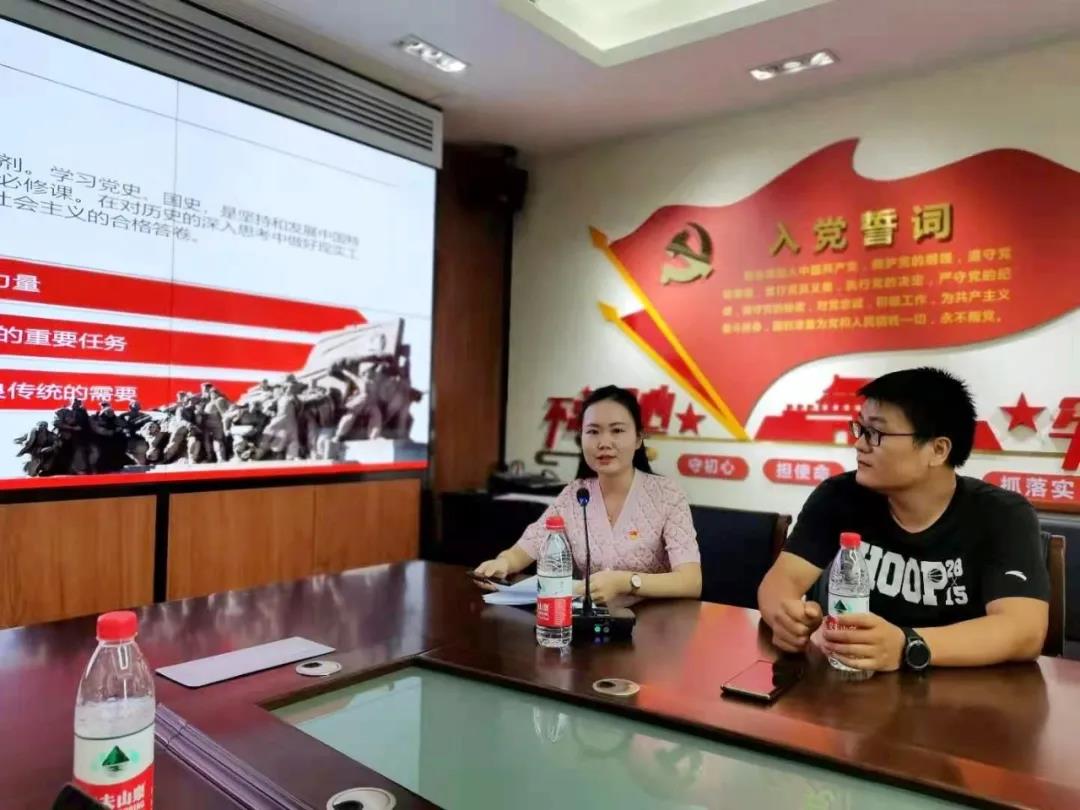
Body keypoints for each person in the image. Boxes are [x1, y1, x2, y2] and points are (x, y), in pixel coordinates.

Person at [757, 367, 1049, 671]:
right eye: (860, 429)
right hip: (855, 683)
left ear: (938, 450)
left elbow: (1024, 631)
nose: (859, 444)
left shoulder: (1001, 514)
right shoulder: (840, 496)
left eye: (876, 433)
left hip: (966, 690)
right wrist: (786, 618)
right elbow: (781, 581)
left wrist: (907, 644)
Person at [474, 385, 702, 604]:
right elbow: (530, 544)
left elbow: (691, 581)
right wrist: (503, 563)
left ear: (638, 439)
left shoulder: (667, 495)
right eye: (593, 431)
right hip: (589, 620)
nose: (604, 443)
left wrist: (625, 582)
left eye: (617, 430)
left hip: (656, 622)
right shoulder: (574, 494)